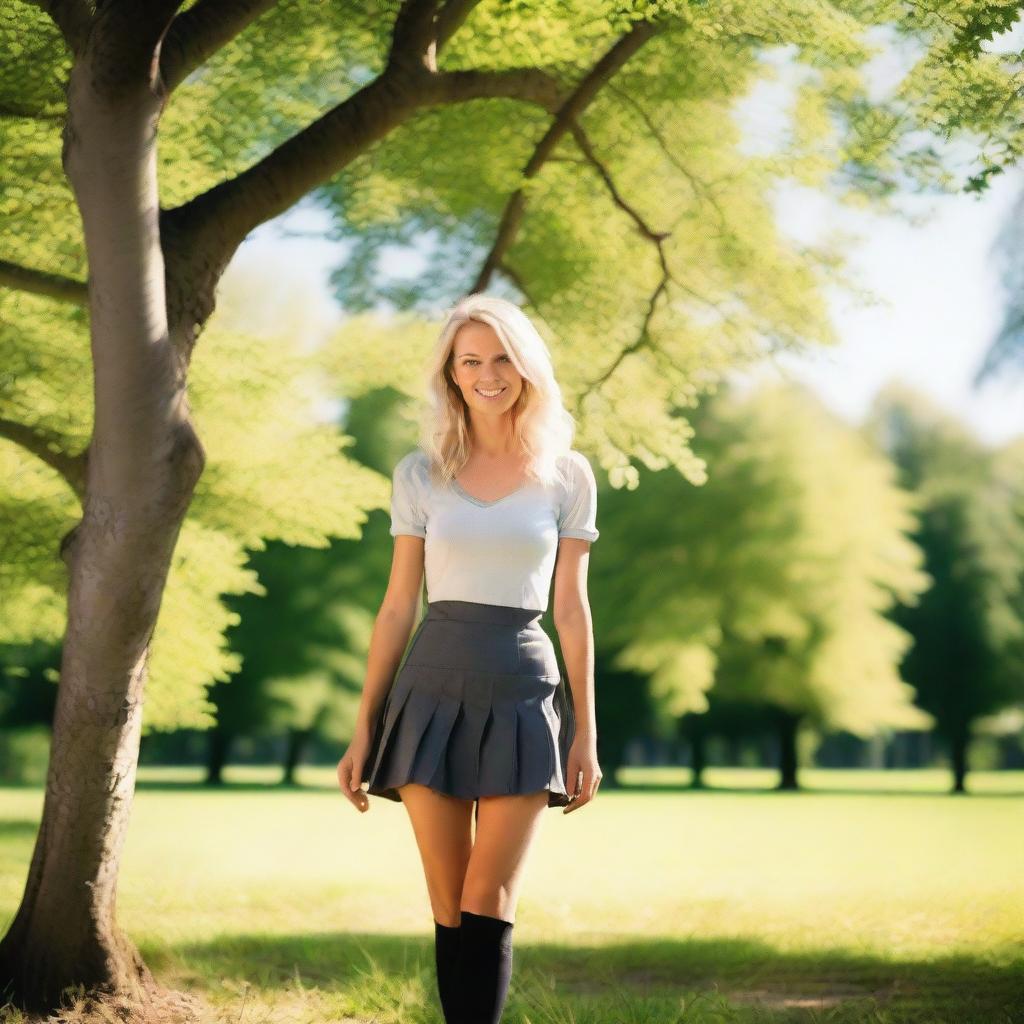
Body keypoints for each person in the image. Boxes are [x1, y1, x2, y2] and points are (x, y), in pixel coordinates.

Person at [335, 293, 602, 1024]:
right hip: (430, 690)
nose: (488, 374)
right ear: (452, 375)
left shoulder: (568, 474)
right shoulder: (421, 474)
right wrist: (365, 727)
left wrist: (585, 730)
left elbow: (573, 609)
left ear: (527, 367)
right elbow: (397, 607)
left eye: (502, 358)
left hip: (524, 687)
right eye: (471, 361)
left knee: (489, 899)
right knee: (449, 902)